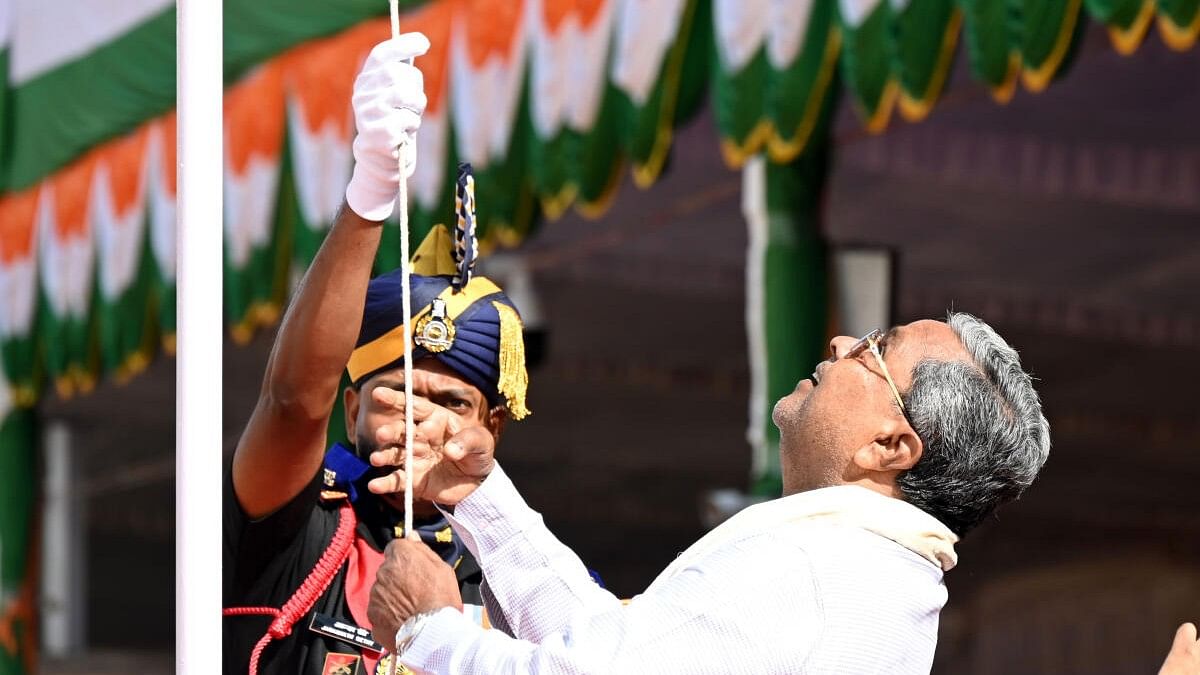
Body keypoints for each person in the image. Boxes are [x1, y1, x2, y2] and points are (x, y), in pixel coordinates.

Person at [366, 315, 1052, 673]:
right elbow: (605, 652)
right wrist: (480, 496)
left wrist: (432, 632)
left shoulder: (818, 569)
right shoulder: (871, 572)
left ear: (890, 447)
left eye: (873, 349)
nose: (840, 341)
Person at [223, 32, 533, 675]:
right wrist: (369, 193)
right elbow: (289, 405)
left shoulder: (526, 577)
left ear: (490, 428)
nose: (422, 415)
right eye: (401, 391)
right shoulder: (302, 528)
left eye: (452, 401)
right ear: (352, 408)